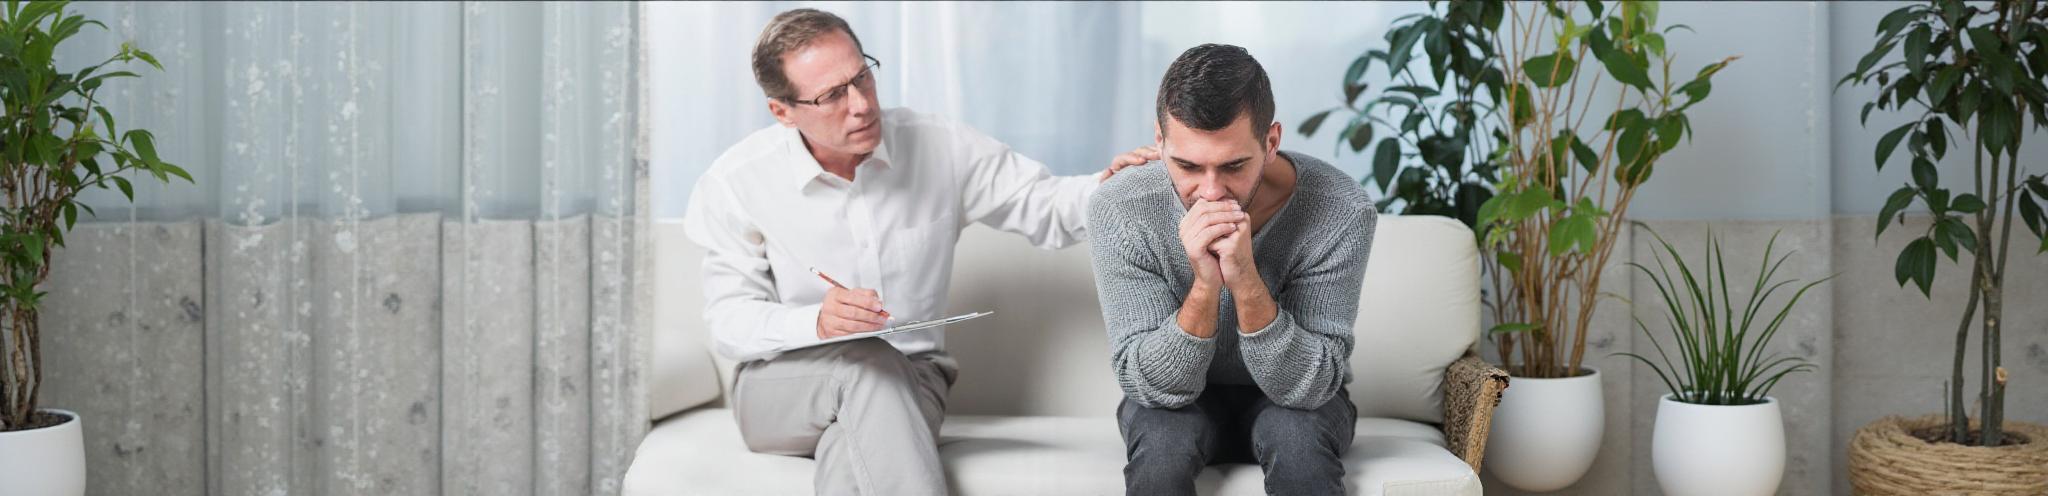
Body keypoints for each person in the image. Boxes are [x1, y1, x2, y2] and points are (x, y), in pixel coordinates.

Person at [680, 8, 1155, 495]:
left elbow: (1044, 205)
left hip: (911, 379)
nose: (862, 104)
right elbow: (729, 321)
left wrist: (1114, 189)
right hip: (780, 388)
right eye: (832, 96)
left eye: (862, 77)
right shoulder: (736, 181)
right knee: (867, 363)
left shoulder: (939, 145)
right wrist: (814, 323)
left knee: (857, 439)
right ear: (783, 111)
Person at [1087, 43, 1378, 496]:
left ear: (1271, 141)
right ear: (1160, 143)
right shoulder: (1122, 207)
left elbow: (1311, 386)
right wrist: (1205, 285)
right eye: (1186, 165)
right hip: (1174, 402)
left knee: (1297, 441)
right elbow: (1148, 383)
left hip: (1298, 399)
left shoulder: (1340, 209)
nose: (1210, 191)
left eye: (1233, 166)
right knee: (1163, 447)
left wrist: (1244, 278)